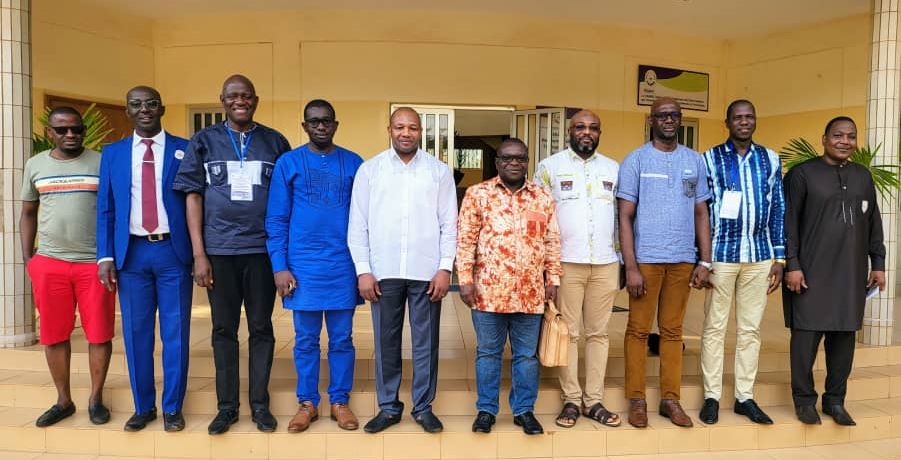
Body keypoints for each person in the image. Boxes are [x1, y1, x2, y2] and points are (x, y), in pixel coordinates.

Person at [173, 75, 291, 434]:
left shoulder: (275, 142)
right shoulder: (203, 141)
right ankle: (226, 407)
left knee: (261, 328)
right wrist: (199, 254)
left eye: (246, 96)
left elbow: (287, 199)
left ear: (256, 100)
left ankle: (259, 406)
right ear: (222, 100)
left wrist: (283, 256)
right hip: (219, 253)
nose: (240, 101)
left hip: (261, 252)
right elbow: (192, 196)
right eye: (233, 96)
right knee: (223, 330)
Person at [348, 107, 457, 434]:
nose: (405, 133)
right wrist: (363, 270)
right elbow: (358, 225)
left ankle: (423, 407)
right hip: (384, 272)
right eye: (399, 127)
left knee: (426, 343)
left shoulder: (438, 172)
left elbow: (449, 225)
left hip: (427, 272)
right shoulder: (370, 171)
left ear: (421, 131)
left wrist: (445, 268)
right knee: (386, 342)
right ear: (389, 130)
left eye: (412, 127)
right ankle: (389, 407)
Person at [96, 87, 193, 432]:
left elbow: (196, 201)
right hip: (131, 255)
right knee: (136, 334)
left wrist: (199, 253)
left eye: (151, 104)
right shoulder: (113, 153)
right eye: (136, 105)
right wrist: (105, 255)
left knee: (176, 333)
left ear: (162, 109)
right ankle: (144, 407)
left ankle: (172, 408)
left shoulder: (185, 148)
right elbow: (106, 207)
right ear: (127, 111)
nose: (144, 109)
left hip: (172, 252)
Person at [266, 99, 364, 432]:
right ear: (304, 126)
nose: (321, 126)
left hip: (342, 265)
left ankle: (339, 401)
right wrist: (280, 266)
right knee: (305, 339)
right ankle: (307, 402)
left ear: (336, 125)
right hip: (302, 267)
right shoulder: (288, 163)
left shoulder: (354, 163)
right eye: (314, 121)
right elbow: (276, 218)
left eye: (326, 121)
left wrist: (363, 267)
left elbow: (366, 219)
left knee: (342, 338)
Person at [783, 116, 885, 426]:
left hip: (850, 274)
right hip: (810, 273)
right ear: (824, 139)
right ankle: (804, 401)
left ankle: (835, 401)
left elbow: (874, 222)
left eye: (851, 136)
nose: (845, 141)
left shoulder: (862, 176)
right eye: (838, 135)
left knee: (843, 341)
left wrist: (878, 263)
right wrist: (793, 265)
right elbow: (789, 223)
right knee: (805, 341)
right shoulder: (802, 174)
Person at [617, 98, 712, 428]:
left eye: (674, 115)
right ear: (651, 120)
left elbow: (701, 212)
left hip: (682, 260)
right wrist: (630, 266)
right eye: (662, 115)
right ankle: (637, 399)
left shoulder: (694, 161)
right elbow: (624, 216)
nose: (668, 120)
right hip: (646, 262)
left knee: (673, 331)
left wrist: (705, 260)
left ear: (680, 119)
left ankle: (670, 399)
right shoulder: (636, 160)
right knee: (638, 330)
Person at [457, 138, 561, 435]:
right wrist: (465, 279)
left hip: (530, 293)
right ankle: (486, 410)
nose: (514, 163)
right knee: (488, 353)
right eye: (507, 158)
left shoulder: (542, 197)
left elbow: (552, 241)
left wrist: (553, 279)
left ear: (527, 162)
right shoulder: (478, 194)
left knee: (526, 356)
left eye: (520, 158)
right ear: (497, 162)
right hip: (488, 292)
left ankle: (524, 410)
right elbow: (465, 240)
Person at [21, 107, 116, 428]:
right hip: (50, 263)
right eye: (62, 130)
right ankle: (63, 400)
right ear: (50, 132)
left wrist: (110, 256)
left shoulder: (102, 162)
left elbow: (115, 210)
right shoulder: (35, 165)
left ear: (83, 130)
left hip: (95, 264)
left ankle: (95, 399)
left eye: (76, 128)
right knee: (53, 334)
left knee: (99, 334)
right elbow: (28, 213)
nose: (70, 134)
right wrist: (28, 259)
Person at [534, 110, 622, 428]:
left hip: (606, 262)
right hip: (566, 262)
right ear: (570, 131)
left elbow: (622, 218)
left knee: (599, 333)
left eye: (593, 128)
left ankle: (593, 400)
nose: (587, 132)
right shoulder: (549, 168)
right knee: (568, 333)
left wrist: (624, 259)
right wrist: (546, 266)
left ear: (600, 133)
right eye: (580, 127)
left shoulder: (614, 168)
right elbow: (539, 218)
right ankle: (571, 399)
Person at [698, 100, 783, 425]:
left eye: (749, 117)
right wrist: (702, 259)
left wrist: (779, 257)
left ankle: (744, 397)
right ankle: (711, 396)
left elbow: (778, 208)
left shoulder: (770, 158)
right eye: (738, 117)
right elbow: (701, 210)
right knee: (714, 327)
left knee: (750, 330)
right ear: (728, 122)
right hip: (721, 256)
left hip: (759, 256)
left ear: (755, 120)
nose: (744, 122)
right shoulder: (709, 158)